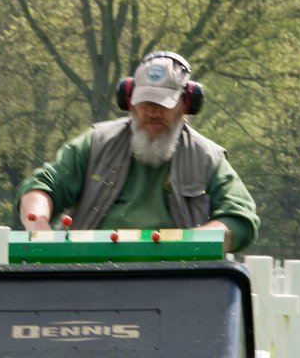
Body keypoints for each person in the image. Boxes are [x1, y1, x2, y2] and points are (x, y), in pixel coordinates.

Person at [16, 51, 259, 253]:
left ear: (186, 104)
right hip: (91, 274)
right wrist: (39, 227)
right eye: (146, 102)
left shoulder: (208, 159)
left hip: (179, 281)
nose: (153, 112)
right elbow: (42, 185)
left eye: (163, 104)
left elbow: (240, 219)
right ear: (129, 101)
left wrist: (187, 244)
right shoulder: (95, 143)